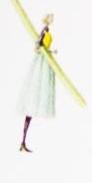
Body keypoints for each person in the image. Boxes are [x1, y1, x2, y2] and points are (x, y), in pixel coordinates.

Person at [20, 17, 64, 154]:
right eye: (49, 19)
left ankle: (23, 141)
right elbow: (38, 47)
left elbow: (44, 47)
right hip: (41, 63)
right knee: (35, 93)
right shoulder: (44, 31)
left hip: (46, 61)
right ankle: (23, 141)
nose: (51, 21)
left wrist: (51, 52)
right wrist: (44, 51)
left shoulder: (48, 31)